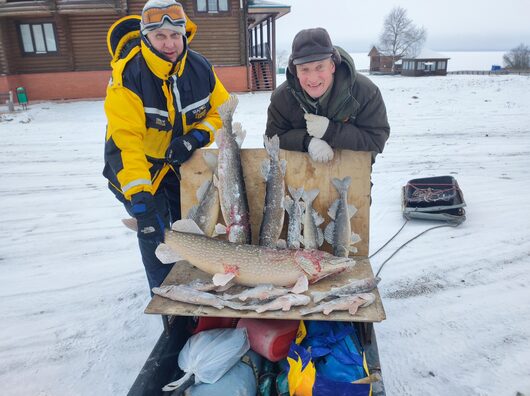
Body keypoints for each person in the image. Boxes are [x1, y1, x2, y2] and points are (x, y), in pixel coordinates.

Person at [103, 0, 229, 291]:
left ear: (184, 34)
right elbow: (127, 145)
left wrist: (195, 138)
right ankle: (167, 303)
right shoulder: (127, 76)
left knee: (186, 230)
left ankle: (194, 289)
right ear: (146, 37)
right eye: (160, 36)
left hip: (176, 167)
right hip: (138, 170)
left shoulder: (199, 68)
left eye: (175, 35)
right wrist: (141, 200)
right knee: (155, 238)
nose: (169, 44)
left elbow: (222, 113)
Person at [266, 28, 390, 163]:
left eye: (320, 67)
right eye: (304, 69)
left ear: (332, 66)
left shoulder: (365, 92)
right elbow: (272, 139)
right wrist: (307, 141)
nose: (313, 79)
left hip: (352, 173)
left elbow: (377, 139)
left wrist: (331, 132)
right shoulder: (281, 97)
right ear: (295, 71)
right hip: (299, 176)